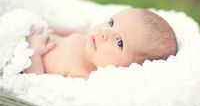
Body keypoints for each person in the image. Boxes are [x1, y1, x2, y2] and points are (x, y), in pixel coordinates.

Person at [23, 8, 177, 78]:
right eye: (111, 23)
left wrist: (33, 52)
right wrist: (46, 24)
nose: (104, 32)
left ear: (130, 69)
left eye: (120, 43)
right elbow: (69, 31)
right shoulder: (87, 39)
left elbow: (36, 85)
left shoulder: (81, 75)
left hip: (24, 57)